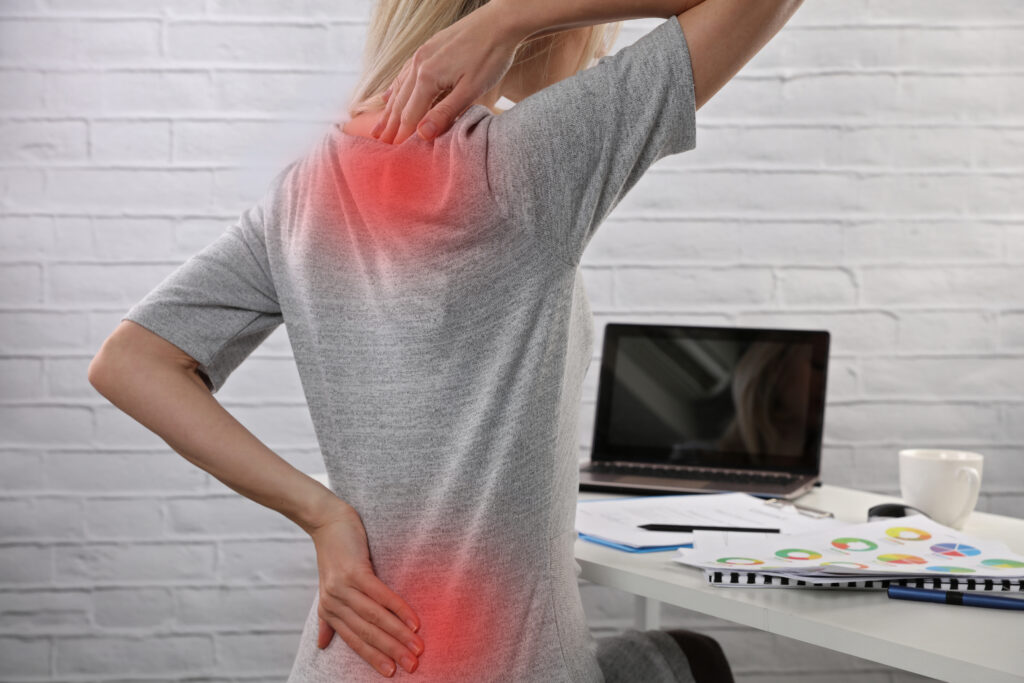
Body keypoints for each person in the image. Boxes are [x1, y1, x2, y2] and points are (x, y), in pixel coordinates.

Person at [87, 0, 804, 680]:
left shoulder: (303, 190)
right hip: (508, 664)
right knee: (690, 657)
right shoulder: (520, 161)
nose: (597, 38)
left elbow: (131, 359)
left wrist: (322, 514)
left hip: (346, 660)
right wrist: (514, 16)